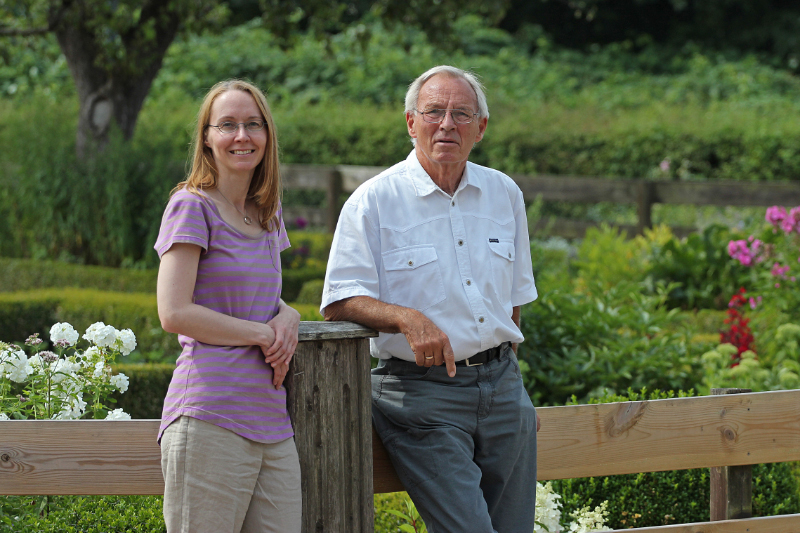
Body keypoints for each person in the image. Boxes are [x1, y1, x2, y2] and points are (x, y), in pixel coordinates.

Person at [321, 65, 540, 533]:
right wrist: (405, 318)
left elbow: (515, 303)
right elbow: (339, 300)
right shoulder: (372, 201)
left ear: (480, 128)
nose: (447, 125)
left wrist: (506, 383)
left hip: (503, 390)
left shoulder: (504, 193)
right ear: (410, 122)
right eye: (434, 112)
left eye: (461, 114)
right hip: (420, 394)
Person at [154, 79, 302, 533]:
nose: (242, 136)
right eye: (228, 125)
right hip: (209, 415)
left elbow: (256, 290)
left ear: (267, 135)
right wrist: (261, 333)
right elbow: (174, 311)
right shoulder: (191, 206)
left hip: (272, 422)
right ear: (207, 137)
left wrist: (289, 313)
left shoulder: (266, 210)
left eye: (253, 124)